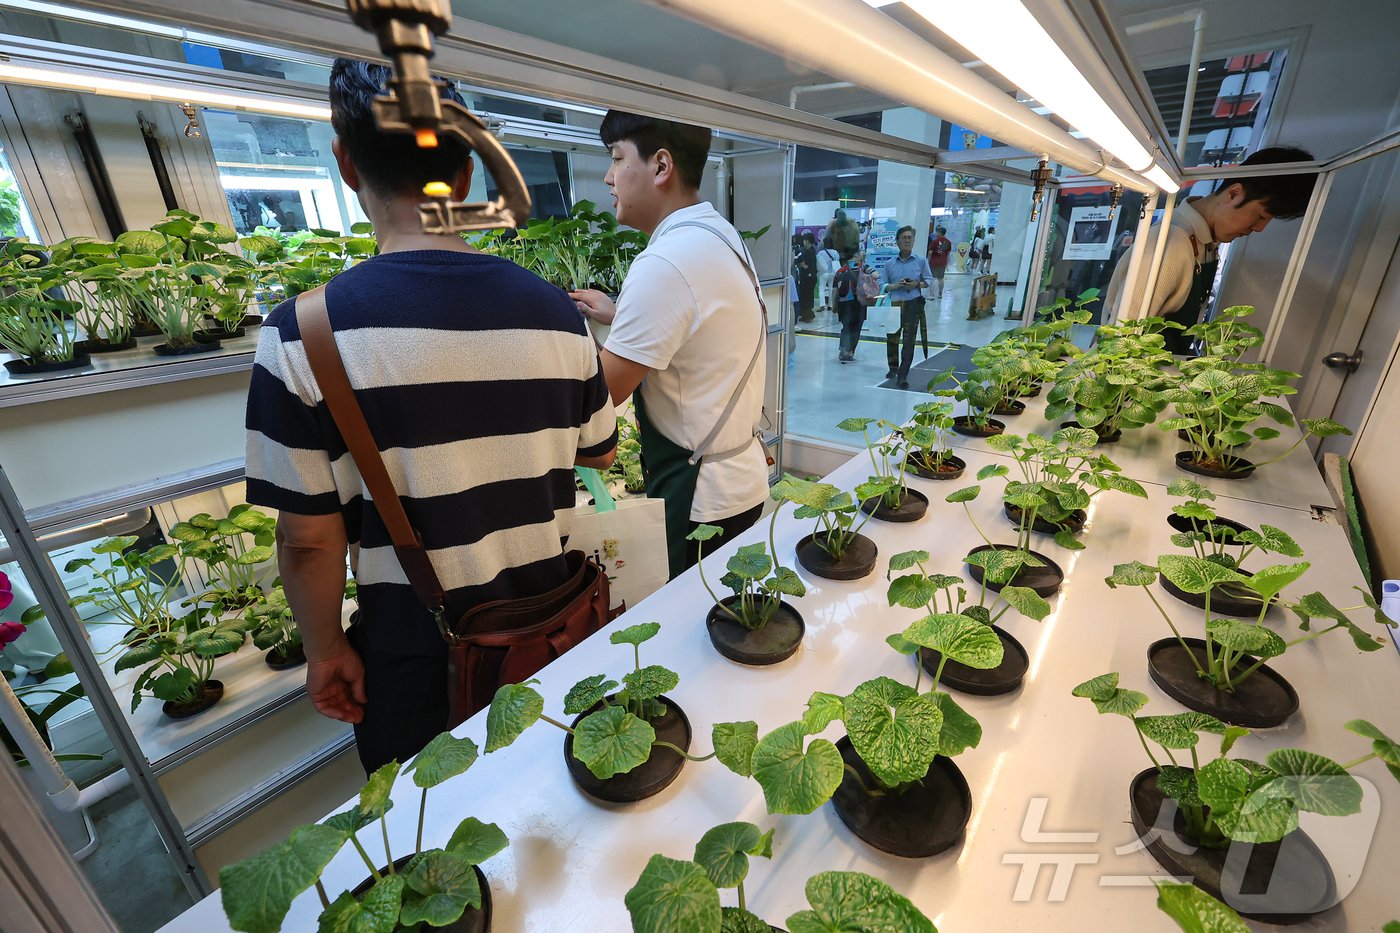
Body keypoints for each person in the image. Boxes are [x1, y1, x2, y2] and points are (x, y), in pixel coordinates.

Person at [243, 59, 618, 774]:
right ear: (468, 174)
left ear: (347, 162)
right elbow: (598, 451)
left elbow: (310, 543)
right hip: (551, 632)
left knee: (436, 855)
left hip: (416, 661)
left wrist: (325, 650)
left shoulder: (301, 336)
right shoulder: (554, 312)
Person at [571, 111, 769, 580]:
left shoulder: (665, 261)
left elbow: (599, 399)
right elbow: (701, 336)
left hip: (702, 498)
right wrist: (621, 317)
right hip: (738, 480)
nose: (608, 177)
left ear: (661, 166)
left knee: (692, 635)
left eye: (617, 159)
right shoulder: (717, 234)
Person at [1105, 146, 1317, 354]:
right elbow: (1120, 340)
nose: (1259, 228)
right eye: (1261, 216)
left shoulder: (1205, 243)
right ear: (1233, 194)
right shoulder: (1172, 244)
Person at [880, 225, 933, 388]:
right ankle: (893, 368)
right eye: (904, 238)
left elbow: (929, 281)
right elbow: (882, 284)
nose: (907, 241)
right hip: (894, 305)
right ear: (897, 242)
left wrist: (917, 284)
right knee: (892, 339)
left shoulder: (921, 261)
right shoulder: (889, 263)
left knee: (909, 341)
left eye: (910, 238)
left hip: (913, 305)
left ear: (914, 240)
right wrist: (894, 286)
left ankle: (903, 375)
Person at [831, 248, 866, 363]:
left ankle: (843, 350)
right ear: (856, 255)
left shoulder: (840, 271)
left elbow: (834, 291)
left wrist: (833, 306)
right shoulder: (862, 269)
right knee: (856, 328)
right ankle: (849, 352)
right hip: (859, 303)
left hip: (843, 304)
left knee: (846, 327)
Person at [793, 231, 818, 323]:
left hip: (807, 277)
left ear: (807, 240)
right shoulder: (812, 250)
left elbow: (804, 265)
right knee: (808, 295)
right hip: (811, 276)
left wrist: (802, 266)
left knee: (805, 296)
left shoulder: (807, 251)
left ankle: (808, 315)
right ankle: (807, 314)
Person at [815, 234, 841, 312]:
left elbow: (818, 263)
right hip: (833, 273)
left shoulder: (821, 253)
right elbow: (837, 260)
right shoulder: (835, 252)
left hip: (823, 273)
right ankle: (830, 305)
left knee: (822, 289)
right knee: (831, 289)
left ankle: (822, 305)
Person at [926, 225, 952, 299]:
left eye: (937, 232)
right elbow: (948, 254)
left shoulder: (935, 241)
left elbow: (930, 253)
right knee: (941, 278)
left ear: (940, 232)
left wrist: (927, 261)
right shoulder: (948, 242)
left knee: (932, 278)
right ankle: (940, 294)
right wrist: (947, 263)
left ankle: (932, 294)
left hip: (934, 262)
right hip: (942, 262)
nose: (936, 233)